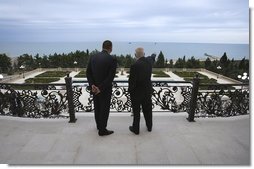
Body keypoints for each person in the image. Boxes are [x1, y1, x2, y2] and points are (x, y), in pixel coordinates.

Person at [86, 40, 117, 136]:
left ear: (102, 46)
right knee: (104, 109)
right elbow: (110, 78)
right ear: (110, 48)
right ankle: (102, 130)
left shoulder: (93, 57)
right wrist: (100, 88)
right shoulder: (112, 59)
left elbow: (88, 73)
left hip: (94, 89)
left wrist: (93, 85)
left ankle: (99, 125)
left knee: (97, 107)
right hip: (105, 89)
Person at [128, 48, 154, 135]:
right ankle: (149, 127)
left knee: (136, 112)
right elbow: (151, 58)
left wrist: (130, 91)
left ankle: (136, 129)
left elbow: (132, 81)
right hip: (147, 91)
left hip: (136, 93)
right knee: (148, 110)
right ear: (144, 54)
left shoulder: (134, 65)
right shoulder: (149, 63)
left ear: (135, 55)